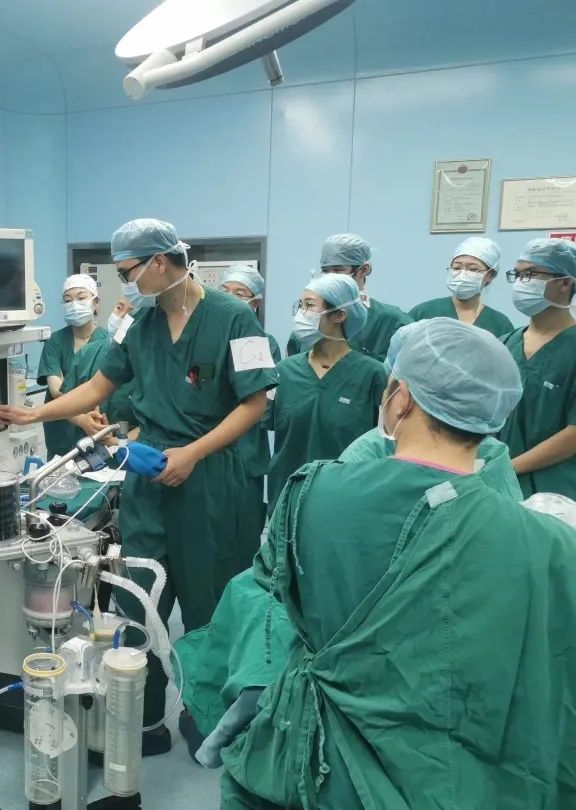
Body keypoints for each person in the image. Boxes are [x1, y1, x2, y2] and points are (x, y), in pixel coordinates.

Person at [221, 318, 576, 809]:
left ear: (400, 397)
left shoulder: (312, 493)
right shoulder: (550, 545)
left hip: (318, 765)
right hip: (450, 778)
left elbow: (270, 593)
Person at [0, 218, 277, 753]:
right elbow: (100, 386)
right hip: (150, 480)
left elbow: (255, 403)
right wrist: (37, 413)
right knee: (139, 599)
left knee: (207, 605)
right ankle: (143, 717)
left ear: (160, 262)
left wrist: (194, 452)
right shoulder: (141, 325)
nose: (126, 284)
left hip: (210, 480)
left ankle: (205, 715)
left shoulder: (235, 319)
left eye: (128, 272)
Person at [267, 274, 386, 511]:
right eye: (300, 305)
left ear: (339, 315)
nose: (301, 314)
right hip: (287, 499)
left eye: (310, 306)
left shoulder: (372, 375)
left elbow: (384, 445)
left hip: (347, 502)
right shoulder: (283, 372)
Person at [499, 237, 576, 500]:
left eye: (530, 274)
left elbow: (573, 434)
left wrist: (507, 468)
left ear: (565, 282)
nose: (520, 283)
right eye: (517, 274)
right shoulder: (505, 343)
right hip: (497, 485)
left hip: (556, 493)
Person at [285, 233, 411, 362]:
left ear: (364, 269)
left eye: (338, 270)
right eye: (325, 271)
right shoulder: (311, 320)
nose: (330, 277)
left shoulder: (392, 322)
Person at [220, 266, 281, 529]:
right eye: (224, 291)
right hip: (205, 453)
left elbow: (264, 402)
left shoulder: (261, 343)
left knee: (243, 530)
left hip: (247, 453)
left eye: (239, 293)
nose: (230, 298)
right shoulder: (206, 338)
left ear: (254, 303)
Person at [36, 274, 109, 458]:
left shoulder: (108, 342)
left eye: (81, 297)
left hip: (98, 432)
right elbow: (57, 390)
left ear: (96, 303)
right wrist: (81, 420)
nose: (74, 304)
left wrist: (88, 421)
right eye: (68, 300)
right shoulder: (55, 341)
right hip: (62, 436)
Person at [408, 236, 514, 337]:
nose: (462, 274)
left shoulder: (500, 324)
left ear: (490, 275)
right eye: (456, 267)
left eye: (472, 269)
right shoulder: (423, 313)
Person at [60, 298, 137, 434]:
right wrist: (81, 420)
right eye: (119, 308)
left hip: (131, 445)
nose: (121, 317)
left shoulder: (148, 363)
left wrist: (115, 441)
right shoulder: (87, 353)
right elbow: (66, 403)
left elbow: (157, 422)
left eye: (130, 313)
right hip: (88, 443)